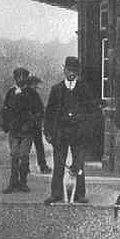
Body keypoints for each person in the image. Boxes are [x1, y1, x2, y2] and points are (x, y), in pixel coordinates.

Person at [43, 57, 95, 205]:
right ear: (64, 70)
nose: (71, 73)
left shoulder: (84, 89)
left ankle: (80, 194)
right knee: (59, 163)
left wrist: (87, 129)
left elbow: (91, 112)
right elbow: (49, 113)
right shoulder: (56, 89)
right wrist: (48, 132)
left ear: (78, 72)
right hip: (61, 133)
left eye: (74, 71)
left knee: (79, 164)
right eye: (69, 70)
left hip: (79, 133)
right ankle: (56, 194)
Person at [1, 67, 43, 193]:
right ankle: (13, 183)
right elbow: (5, 109)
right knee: (14, 155)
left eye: (23, 77)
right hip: (14, 130)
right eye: (18, 77)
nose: (20, 79)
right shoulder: (11, 92)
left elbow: (40, 111)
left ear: (26, 78)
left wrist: (30, 124)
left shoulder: (32, 93)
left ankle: (23, 182)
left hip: (27, 130)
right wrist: (6, 124)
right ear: (15, 78)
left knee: (24, 155)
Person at [25, 75, 51, 174]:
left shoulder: (25, 93)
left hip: (28, 124)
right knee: (38, 146)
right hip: (34, 124)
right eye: (35, 84)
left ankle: (25, 167)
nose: (37, 86)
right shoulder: (34, 94)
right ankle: (42, 166)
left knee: (27, 147)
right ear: (32, 84)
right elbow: (40, 109)